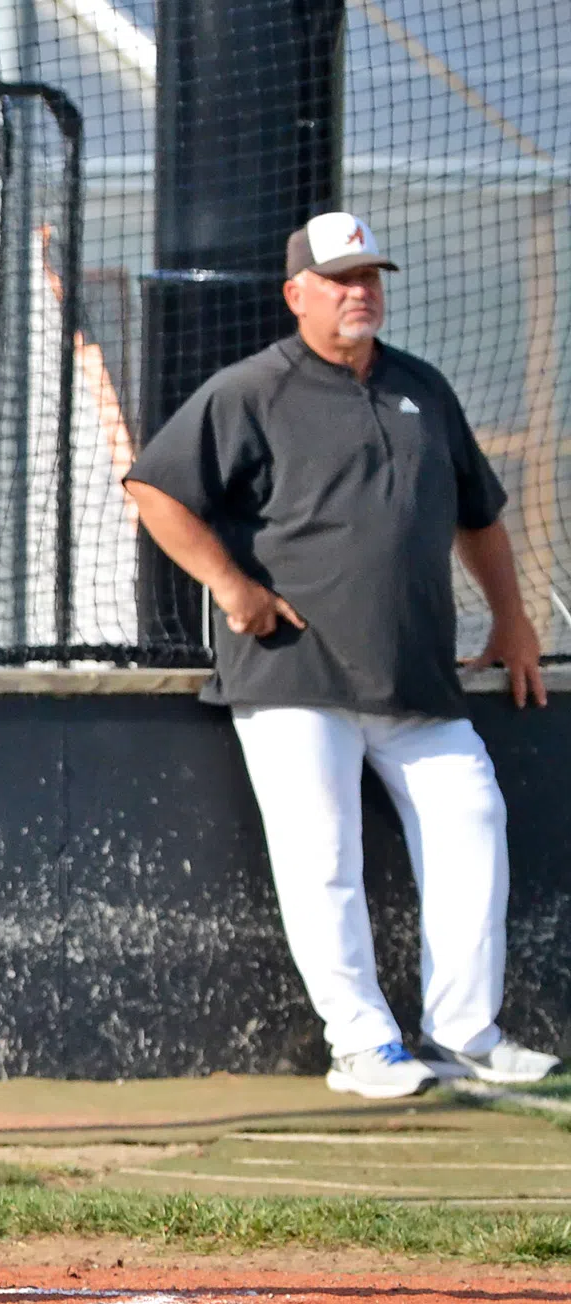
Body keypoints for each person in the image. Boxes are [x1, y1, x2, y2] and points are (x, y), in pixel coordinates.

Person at [124, 212, 560, 1099]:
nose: (361, 291)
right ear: (298, 295)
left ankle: (464, 1033)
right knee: (323, 858)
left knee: (473, 819)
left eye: (370, 277)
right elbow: (154, 489)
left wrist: (512, 621)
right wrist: (233, 589)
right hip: (293, 671)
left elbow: (479, 514)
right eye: (340, 279)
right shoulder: (251, 390)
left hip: (415, 675)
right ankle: (361, 1046)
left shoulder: (422, 389)